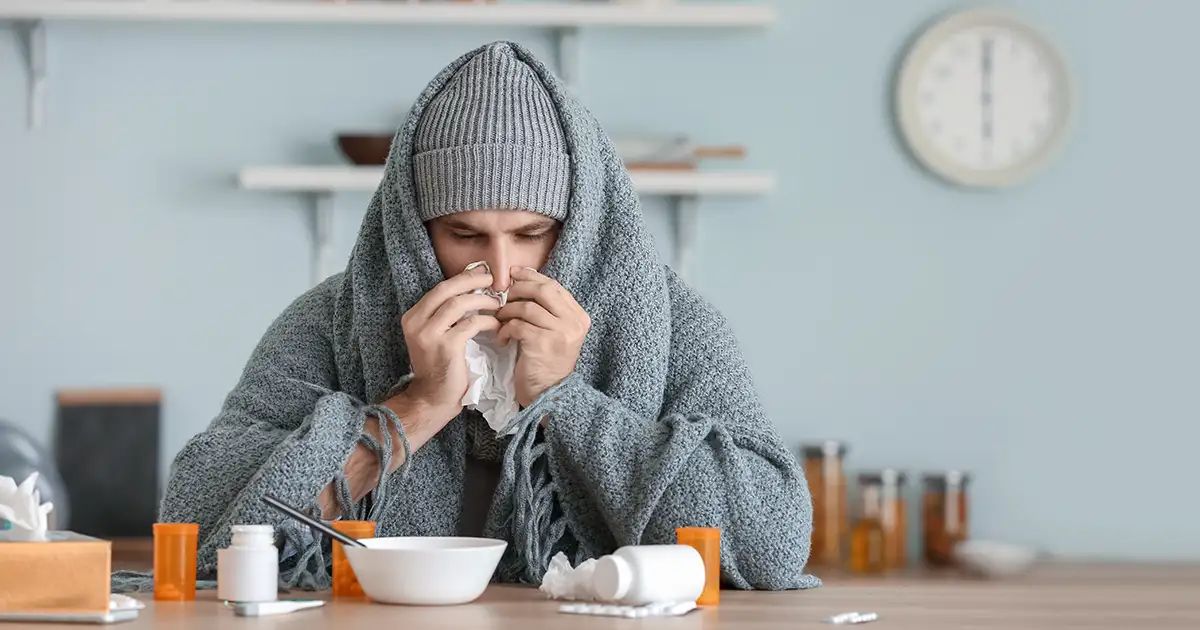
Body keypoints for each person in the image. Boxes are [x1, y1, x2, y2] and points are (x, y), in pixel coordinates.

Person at [159, 41, 819, 591]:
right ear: (415, 232)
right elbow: (199, 535)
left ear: (578, 228)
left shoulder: (677, 325)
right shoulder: (328, 320)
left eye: (532, 234)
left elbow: (772, 545)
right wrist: (414, 408)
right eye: (464, 234)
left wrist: (565, 402)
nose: (501, 273)